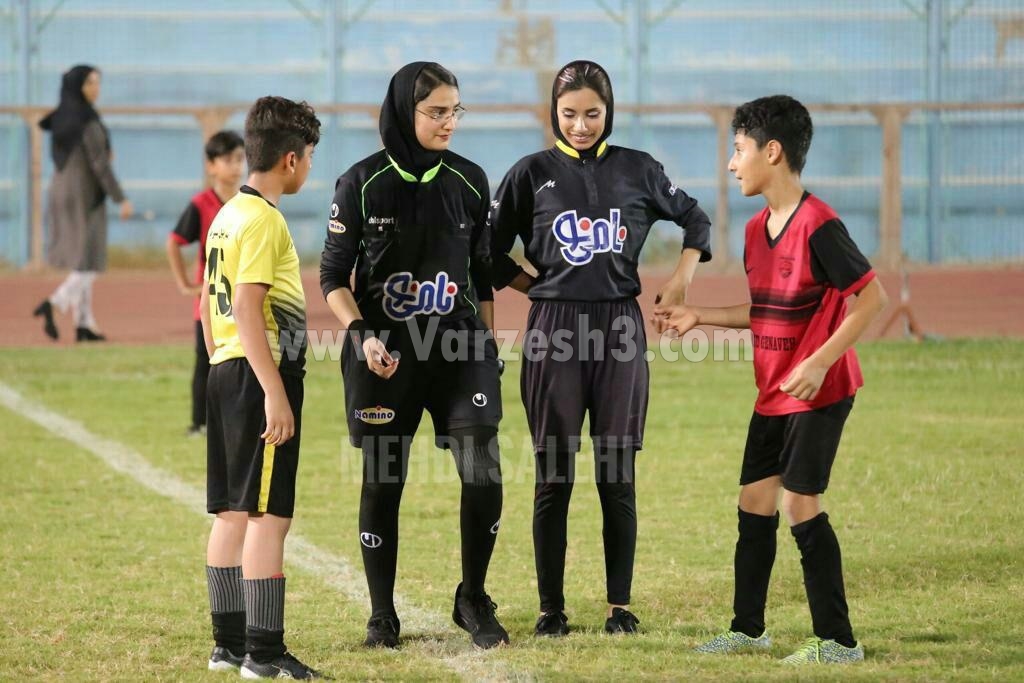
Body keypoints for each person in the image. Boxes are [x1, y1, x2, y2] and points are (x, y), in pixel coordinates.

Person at [654, 95, 888, 664]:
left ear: (772, 152)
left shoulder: (819, 224)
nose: (732, 164)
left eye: (738, 151)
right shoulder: (757, 230)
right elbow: (766, 311)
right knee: (754, 503)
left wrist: (820, 361)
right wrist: (700, 316)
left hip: (819, 392)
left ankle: (838, 642)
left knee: (800, 504)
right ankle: (748, 629)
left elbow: (870, 299)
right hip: (774, 392)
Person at [488, 60, 712, 637]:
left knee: (617, 473)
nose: (581, 125)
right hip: (553, 331)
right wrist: (534, 286)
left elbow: (696, 220)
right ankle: (550, 609)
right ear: (553, 114)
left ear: (609, 110)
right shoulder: (530, 172)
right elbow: (485, 253)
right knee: (553, 475)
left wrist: (683, 277)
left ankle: (619, 607)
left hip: (618, 330)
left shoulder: (638, 169)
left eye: (592, 113)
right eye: (569, 114)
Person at [319, 62, 507, 650]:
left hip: (459, 351)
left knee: (483, 472)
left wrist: (490, 344)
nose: (449, 121)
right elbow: (332, 276)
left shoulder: (473, 181)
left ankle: (473, 597)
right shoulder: (360, 184)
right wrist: (362, 335)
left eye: (456, 110)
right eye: (436, 112)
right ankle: (382, 614)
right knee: (383, 483)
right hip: (385, 357)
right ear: (405, 112)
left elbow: (485, 276)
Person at [200, 96, 327, 679]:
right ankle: (264, 653)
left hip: (226, 371)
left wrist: (220, 361)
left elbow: (209, 307)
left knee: (229, 512)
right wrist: (273, 390)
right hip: (260, 377)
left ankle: (227, 646)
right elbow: (250, 308)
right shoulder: (264, 219)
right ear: (292, 161)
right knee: (267, 518)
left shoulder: (226, 215)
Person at [33, 64, 133, 342]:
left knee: (84, 257)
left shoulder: (64, 115)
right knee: (87, 259)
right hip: (83, 195)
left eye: (97, 83)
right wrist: (120, 198)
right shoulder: (86, 120)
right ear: (77, 87)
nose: (95, 89)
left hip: (62, 190)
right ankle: (54, 303)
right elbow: (100, 164)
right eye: (89, 83)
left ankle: (84, 323)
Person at [166, 130, 245, 436]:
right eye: (228, 160)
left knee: (241, 359)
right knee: (207, 361)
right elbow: (174, 242)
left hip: (242, 299)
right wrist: (186, 284)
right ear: (211, 165)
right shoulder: (201, 204)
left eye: (240, 159)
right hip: (210, 302)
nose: (236, 166)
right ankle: (200, 422)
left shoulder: (248, 202)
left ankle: (236, 419)